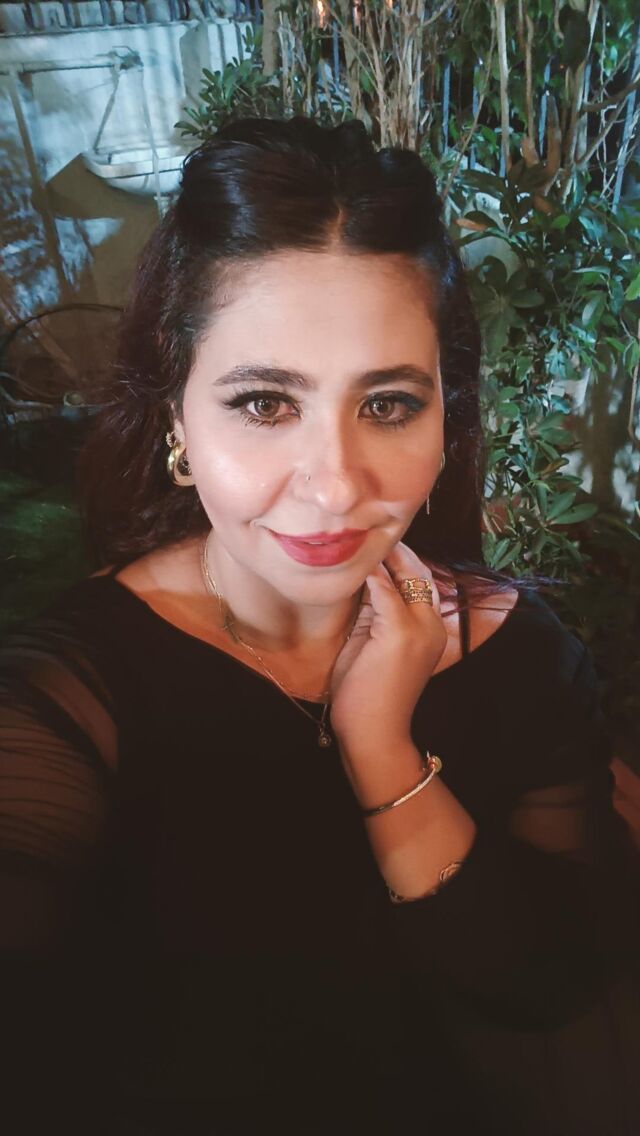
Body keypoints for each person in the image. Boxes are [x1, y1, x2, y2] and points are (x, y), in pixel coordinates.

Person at [1, 115, 639, 1136]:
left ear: (446, 417)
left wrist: (382, 747)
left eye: (387, 405)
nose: (335, 485)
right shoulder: (70, 702)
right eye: (264, 403)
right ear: (177, 418)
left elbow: (546, 978)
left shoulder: (523, 654)